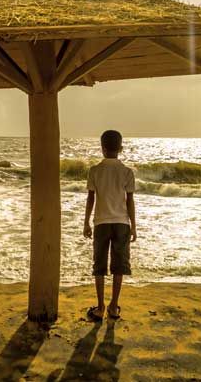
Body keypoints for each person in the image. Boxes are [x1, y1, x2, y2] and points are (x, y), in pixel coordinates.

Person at [83, 130, 136, 321]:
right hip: (122, 223)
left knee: (99, 265)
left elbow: (91, 199)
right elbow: (130, 201)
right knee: (119, 266)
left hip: (101, 223)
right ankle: (114, 306)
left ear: (102, 148)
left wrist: (86, 222)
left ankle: (100, 307)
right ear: (121, 148)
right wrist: (134, 226)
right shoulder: (127, 172)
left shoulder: (95, 171)